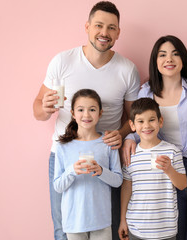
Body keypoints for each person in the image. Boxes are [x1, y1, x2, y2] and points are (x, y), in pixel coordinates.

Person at [33, 2, 140, 239]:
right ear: (87, 27)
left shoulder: (127, 70)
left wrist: (122, 135)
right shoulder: (63, 61)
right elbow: (37, 111)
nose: (104, 33)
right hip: (64, 154)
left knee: (106, 226)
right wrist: (46, 108)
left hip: (106, 156)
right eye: (99, 25)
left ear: (118, 33)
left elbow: (133, 118)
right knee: (63, 228)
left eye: (111, 28)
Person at [122, 35, 187, 240]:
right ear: (155, 61)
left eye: (175, 54)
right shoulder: (146, 93)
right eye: (163, 54)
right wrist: (130, 137)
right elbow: (142, 126)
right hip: (165, 174)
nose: (169, 59)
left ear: (183, 60)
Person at [54, 89, 123, 240]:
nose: (86, 115)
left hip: (101, 221)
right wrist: (72, 170)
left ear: (100, 113)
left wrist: (101, 171)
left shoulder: (107, 143)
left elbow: (118, 181)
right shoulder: (63, 146)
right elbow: (58, 186)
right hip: (74, 222)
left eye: (92, 110)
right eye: (80, 110)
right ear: (73, 113)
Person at [118, 98, 187, 240]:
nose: (146, 125)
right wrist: (122, 220)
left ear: (160, 122)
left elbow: (182, 185)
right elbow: (126, 187)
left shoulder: (172, 151)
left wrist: (169, 170)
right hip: (136, 229)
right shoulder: (131, 155)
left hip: (166, 231)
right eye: (140, 121)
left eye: (151, 120)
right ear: (132, 125)